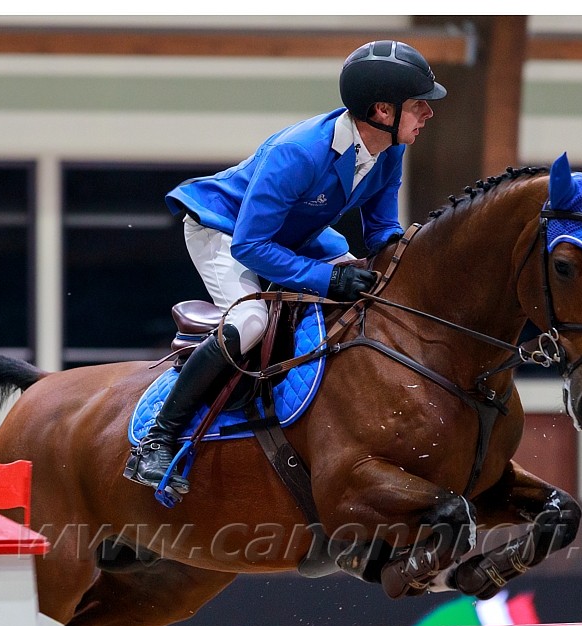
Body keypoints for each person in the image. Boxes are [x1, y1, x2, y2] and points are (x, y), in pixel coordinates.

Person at [125, 39, 446, 498]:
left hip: (296, 232)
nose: (429, 115)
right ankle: (158, 436)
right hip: (225, 230)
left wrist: (415, 259)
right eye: (420, 106)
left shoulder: (390, 150)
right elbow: (251, 244)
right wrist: (329, 279)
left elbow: (380, 232)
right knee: (250, 320)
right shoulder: (298, 152)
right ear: (382, 110)